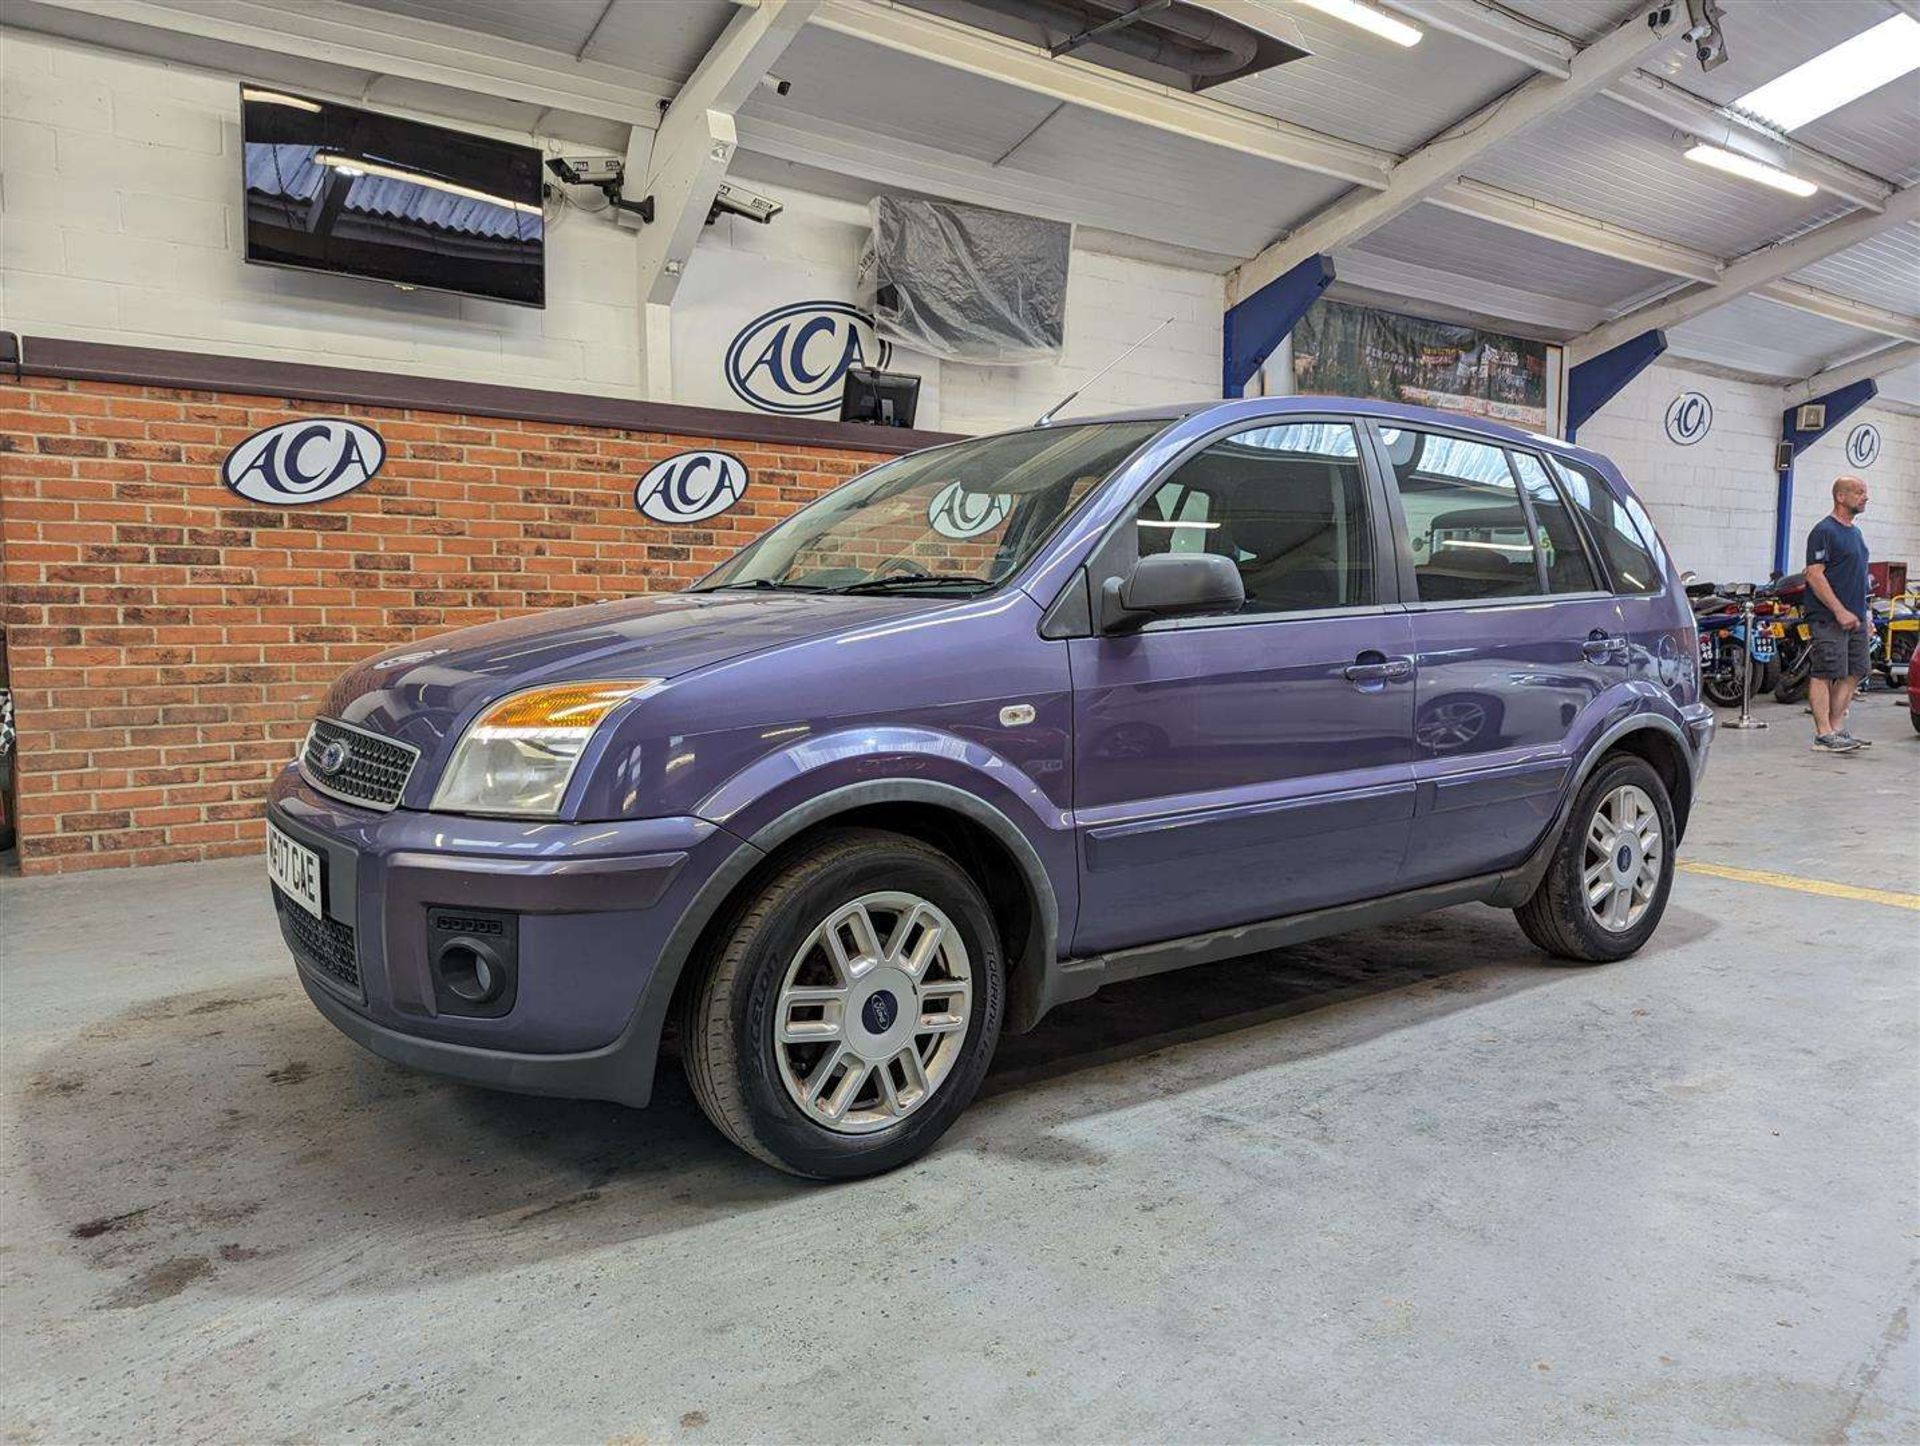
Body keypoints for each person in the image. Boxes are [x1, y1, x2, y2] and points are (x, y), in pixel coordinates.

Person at [1803, 474, 1872, 753]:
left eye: (1865, 492)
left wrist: (1863, 614)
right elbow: (1814, 575)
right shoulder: (1824, 531)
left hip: (1855, 617)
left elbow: (1857, 577)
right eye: (1859, 492)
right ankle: (1822, 734)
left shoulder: (1855, 532)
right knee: (1824, 671)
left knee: (1857, 670)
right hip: (1828, 617)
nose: (1865, 497)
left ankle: (1835, 728)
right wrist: (1839, 610)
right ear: (1840, 497)